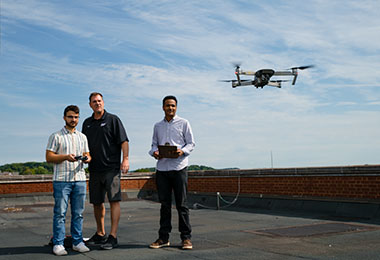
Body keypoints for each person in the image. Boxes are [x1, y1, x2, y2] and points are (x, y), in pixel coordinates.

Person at [82, 92, 129, 250]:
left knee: (114, 201)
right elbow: (84, 146)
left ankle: (113, 236)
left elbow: (124, 141)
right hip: (94, 169)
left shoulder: (113, 120)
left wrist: (126, 159)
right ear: (90, 105)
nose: (97, 104)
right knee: (97, 202)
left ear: (103, 102)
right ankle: (100, 233)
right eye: (94, 102)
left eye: (99, 101)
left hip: (111, 168)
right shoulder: (87, 123)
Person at [148, 95, 195, 250]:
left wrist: (182, 151)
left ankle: (186, 238)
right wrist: (154, 152)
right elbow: (154, 145)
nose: (171, 108)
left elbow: (191, 143)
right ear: (163, 107)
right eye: (168, 106)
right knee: (165, 205)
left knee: (182, 204)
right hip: (162, 168)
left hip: (179, 167)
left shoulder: (184, 123)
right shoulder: (157, 126)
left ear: (176, 107)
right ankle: (163, 238)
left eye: (173, 106)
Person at [46, 105, 91, 256]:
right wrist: (65, 157)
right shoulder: (56, 136)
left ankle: (77, 242)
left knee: (78, 213)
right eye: (71, 117)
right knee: (60, 213)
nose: (74, 120)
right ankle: (58, 243)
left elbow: (87, 154)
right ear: (64, 117)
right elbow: (49, 157)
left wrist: (87, 158)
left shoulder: (82, 137)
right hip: (61, 180)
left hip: (79, 179)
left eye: (76, 117)